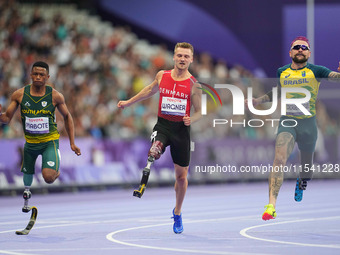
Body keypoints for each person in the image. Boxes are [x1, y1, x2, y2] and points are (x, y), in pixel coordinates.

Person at [247, 36, 340, 221]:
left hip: (308, 124)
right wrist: (258, 100)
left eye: (304, 48)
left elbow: (334, 77)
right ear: (290, 52)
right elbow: (278, 92)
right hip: (288, 121)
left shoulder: (316, 70)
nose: (300, 50)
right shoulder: (282, 72)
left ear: (309, 53)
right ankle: (271, 206)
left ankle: (302, 181)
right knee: (279, 159)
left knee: (307, 171)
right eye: (296, 47)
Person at [117, 42, 202, 234]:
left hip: (181, 132)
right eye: (179, 55)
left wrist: (191, 119)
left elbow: (200, 111)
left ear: (191, 59)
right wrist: (128, 103)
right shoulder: (162, 76)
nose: (182, 59)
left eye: (186, 56)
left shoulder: (193, 84)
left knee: (181, 178)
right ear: (173, 57)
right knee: (155, 148)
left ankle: (177, 212)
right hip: (163, 126)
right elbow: (149, 90)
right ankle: (154, 153)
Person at [0, 61, 81, 212]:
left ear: (47, 77)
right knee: (27, 179)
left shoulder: (55, 96)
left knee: (49, 178)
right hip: (30, 144)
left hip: (49, 142)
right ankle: (27, 196)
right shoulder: (19, 95)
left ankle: (55, 164)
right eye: (35, 74)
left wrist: (72, 143)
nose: (38, 77)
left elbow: (67, 117)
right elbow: (6, 119)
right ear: (30, 75)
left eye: (41, 75)